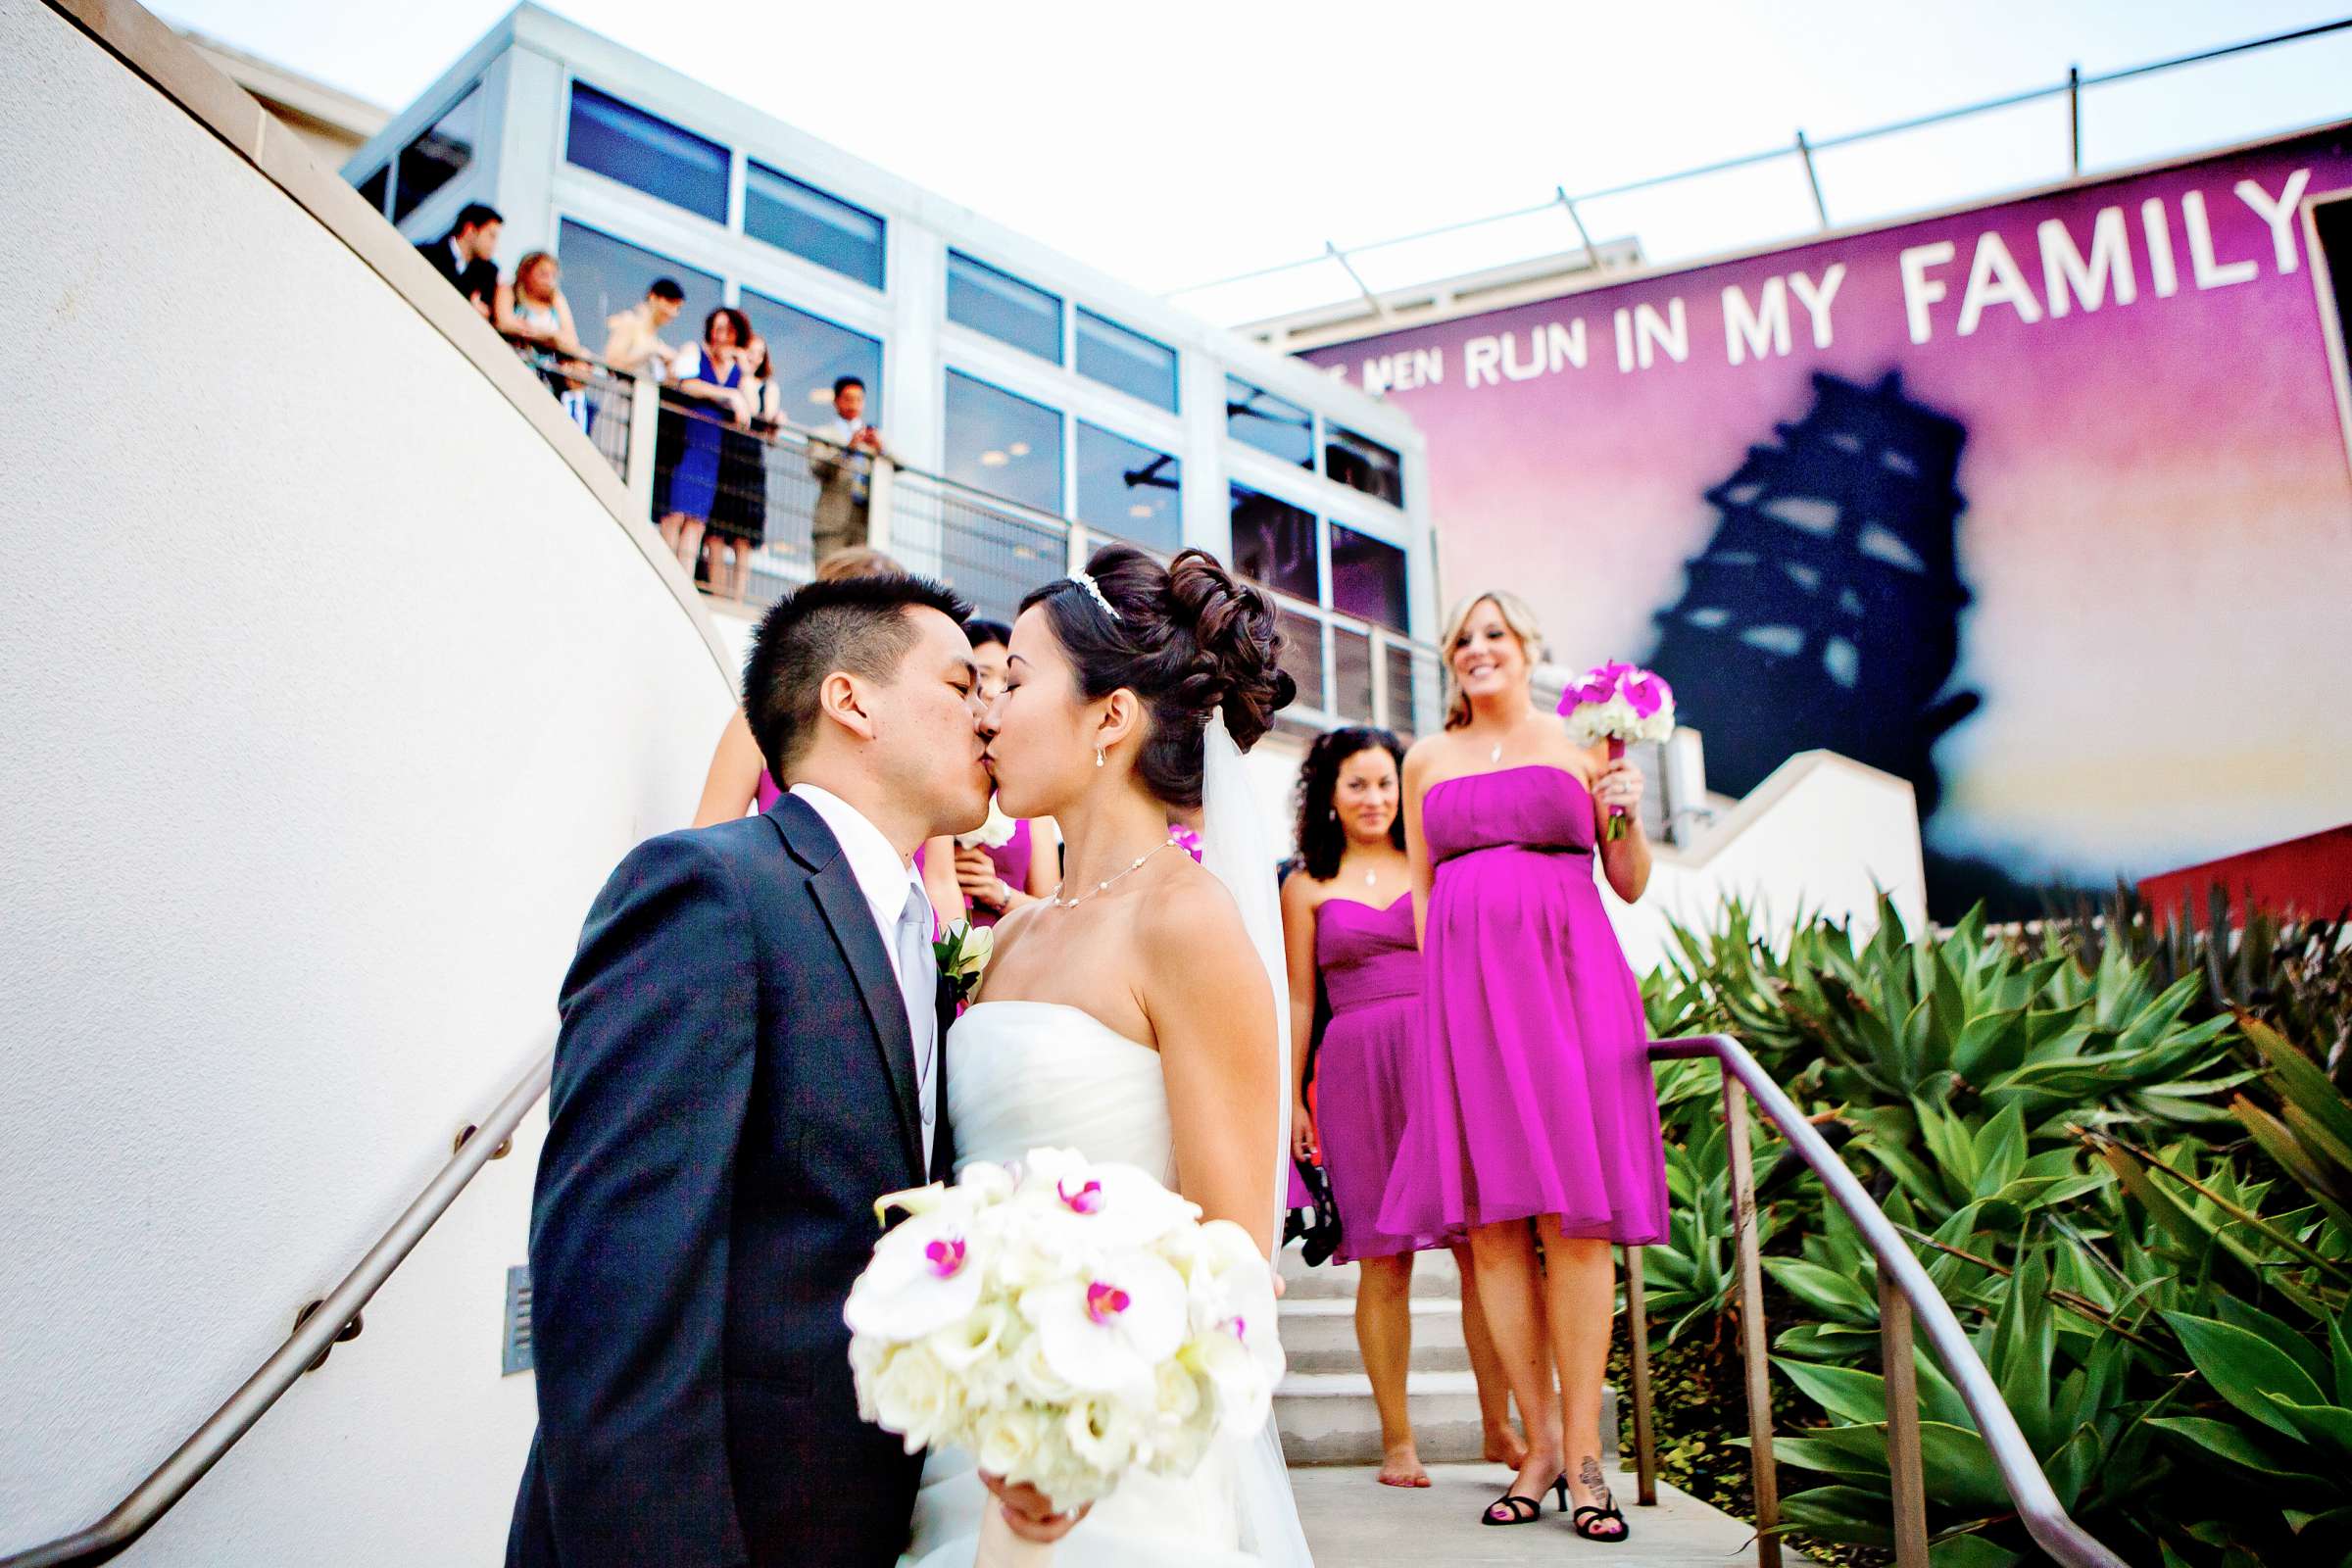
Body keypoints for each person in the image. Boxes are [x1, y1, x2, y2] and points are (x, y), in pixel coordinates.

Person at [507, 571, 1083, 1567]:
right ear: (850, 700)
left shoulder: (927, 934)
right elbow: (616, 1295)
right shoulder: (707, 890)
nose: (987, 716)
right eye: (958, 686)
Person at [903, 543, 1312, 1566]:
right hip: (965, 1432)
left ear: (1111, 718)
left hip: (1114, 1466)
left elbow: (1234, 1259)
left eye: (1017, 678)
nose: (987, 711)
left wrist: (1086, 1434)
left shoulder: (1189, 925)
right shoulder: (1015, 935)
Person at [1375, 590, 1665, 1543]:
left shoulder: (1585, 747)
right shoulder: (1425, 759)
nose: (1476, 648)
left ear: (1530, 648)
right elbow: (1421, 895)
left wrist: (1625, 816)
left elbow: (1625, 883)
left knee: (1574, 1221)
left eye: (1494, 633)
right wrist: (1435, 1013)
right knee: (1494, 1227)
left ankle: (1585, 1457)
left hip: (1571, 991)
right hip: (1464, 1003)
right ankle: (1537, 1444)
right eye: (1463, 638)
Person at [1280, 726, 1523, 1489]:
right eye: (1357, 784)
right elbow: (1295, 997)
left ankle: (1498, 1427)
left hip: (1444, 1067)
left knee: (1481, 1254)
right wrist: (1291, 1097)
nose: (1375, 799)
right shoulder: (1305, 884)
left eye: (1386, 783)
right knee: (1382, 1264)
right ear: (1328, 795)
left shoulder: (1434, 868)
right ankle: (1398, 1441)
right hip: (1354, 1074)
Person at [946, 618, 1062, 924]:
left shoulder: (1029, 788)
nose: (993, 690)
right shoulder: (934, 775)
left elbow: (1053, 908)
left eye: (1008, 683)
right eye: (982, 676)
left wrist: (998, 893)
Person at [658, 308, 755, 578]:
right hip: (686, 443)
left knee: (697, 523)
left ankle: (682, 581)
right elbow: (686, 384)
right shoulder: (694, 351)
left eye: (728, 330)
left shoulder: (736, 371)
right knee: (675, 515)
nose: (721, 335)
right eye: (718, 327)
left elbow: (753, 406)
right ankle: (664, 575)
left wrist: (745, 372)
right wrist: (728, 396)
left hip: (712, 452)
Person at [706, 334, 773, 603]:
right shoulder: (730, 379)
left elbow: (758, 412)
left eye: (760, 352)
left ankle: (736, 597)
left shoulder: (766, 387)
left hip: (749, 463)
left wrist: (746, 378)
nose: (754, 356)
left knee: (744, 539)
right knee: (716, 534)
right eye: (750, 351)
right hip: (725, 458)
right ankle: (716, 592)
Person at [808, 375, 886, 568]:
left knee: (858, 586)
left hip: (864, 521)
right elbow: (818, 467)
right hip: (833, 521)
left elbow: (900, 464)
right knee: (827, 578)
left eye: (858, 399)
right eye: (848, 399)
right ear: (836, 402)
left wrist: (881, 449)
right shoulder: (822, 434)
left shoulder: (873, 439)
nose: (854, 404)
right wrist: (847, 449)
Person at [417, 201, 501, 318]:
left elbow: (487, 311)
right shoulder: (426, 254)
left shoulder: (488, 272)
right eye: (491, 236)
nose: (494, 245)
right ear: (470, 230)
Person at [603, 277, 685, 381]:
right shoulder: (629, 322)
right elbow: (611, 364)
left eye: (677, 308)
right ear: (653, 297)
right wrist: (650, 351)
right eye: (669, 303)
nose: (672, 312)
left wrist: (670, 372)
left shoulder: (656, 342)